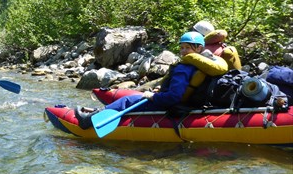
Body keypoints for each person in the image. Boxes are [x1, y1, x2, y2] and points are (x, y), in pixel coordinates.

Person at [75, 32, 209, 129]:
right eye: (182, 47)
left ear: (199, 48)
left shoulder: (183, 68)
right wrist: (160, 90)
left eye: (187, 47)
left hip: (169, 104)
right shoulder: (201, 64)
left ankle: (90, 120)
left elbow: (174, 96)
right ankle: (99, 113)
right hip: (186, 102)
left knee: (126, 101)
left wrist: (154, 96)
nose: (183, 51)